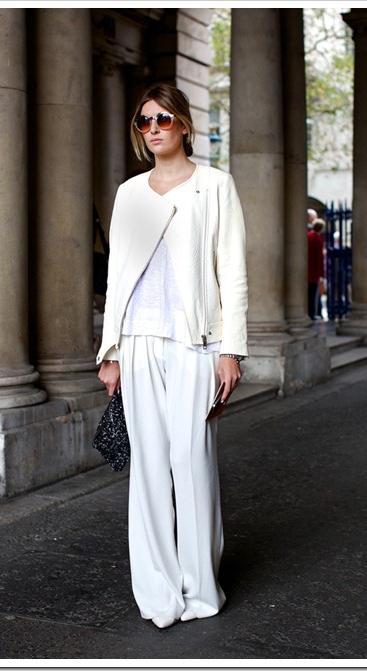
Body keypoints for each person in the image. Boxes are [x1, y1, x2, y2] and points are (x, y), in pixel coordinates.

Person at [96, 83, 249, 629]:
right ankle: (159, 592)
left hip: (196, 344)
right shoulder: (129, 194)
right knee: (149, 470)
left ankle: (200, 587)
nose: (154, 127)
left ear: (183, 123)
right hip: (137, 342)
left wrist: (232, 350)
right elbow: (117, 279)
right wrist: (109, 351)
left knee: (192, 461)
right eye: (144, 121)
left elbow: (231, 271)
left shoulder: (215, 186)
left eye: (163, 118)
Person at [307, 218, 325, 319]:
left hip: (306, 271)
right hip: (313, 272)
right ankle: (311, 314)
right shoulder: (318, 240)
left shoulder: (307, 236)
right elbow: (319, 258)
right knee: (312, 295)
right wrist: (322, 273)